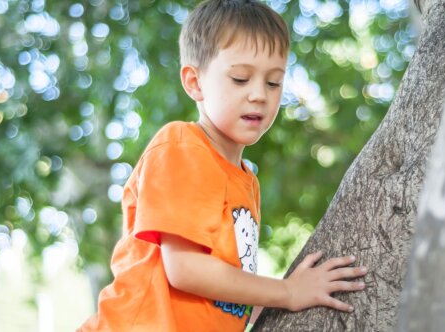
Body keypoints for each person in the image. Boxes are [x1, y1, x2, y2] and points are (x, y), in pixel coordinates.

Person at [79, 0, 367, 331]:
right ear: (194, 83)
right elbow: (185, 268)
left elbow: (230, 290)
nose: (259, 94)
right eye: (241, 78)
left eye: (273, 82)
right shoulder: (181, 146)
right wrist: (286, 291)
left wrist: (291, 298)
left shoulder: (246, 181)